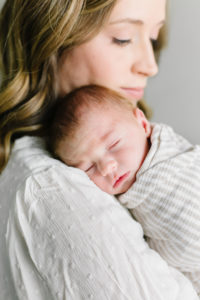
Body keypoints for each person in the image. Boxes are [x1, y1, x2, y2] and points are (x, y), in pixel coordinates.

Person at [0, 0, 198, 299]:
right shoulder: (53, 188)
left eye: (153, 38)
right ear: (52, 39)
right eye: (123, 38)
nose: (150, 65)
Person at [48, 84, 200, 295]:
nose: (106, 167)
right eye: (88, 167)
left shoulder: (173, 161)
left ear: (142, 123)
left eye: (114, 144)